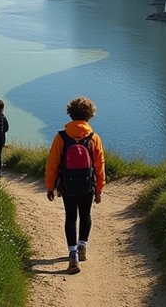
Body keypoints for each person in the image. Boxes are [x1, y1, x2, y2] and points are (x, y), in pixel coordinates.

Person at [45, 96, 105, 275]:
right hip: (87, 186)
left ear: (70, 113)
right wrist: (99, 189)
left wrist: (50, 186)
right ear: (89, 115)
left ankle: (72, 254)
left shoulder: (61, 137)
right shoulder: (94, 138)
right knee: (85, 214)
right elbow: (100, 166)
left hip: (68, 186)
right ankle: (82, 246)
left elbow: (52, 164)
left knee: (71, 217)